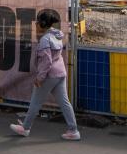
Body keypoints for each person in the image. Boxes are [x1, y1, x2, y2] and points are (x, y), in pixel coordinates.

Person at [10, 10, 80, 141]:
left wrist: (40, 77)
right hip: (60, 73)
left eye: (37, 22)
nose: (35, 25)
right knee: (65, 103)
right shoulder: (57, 35)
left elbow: (46, 61)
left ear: (42, 24)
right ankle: (73, 130)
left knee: (36, 101)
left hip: (49, 75)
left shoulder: (45, 40)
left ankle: (25, 128)